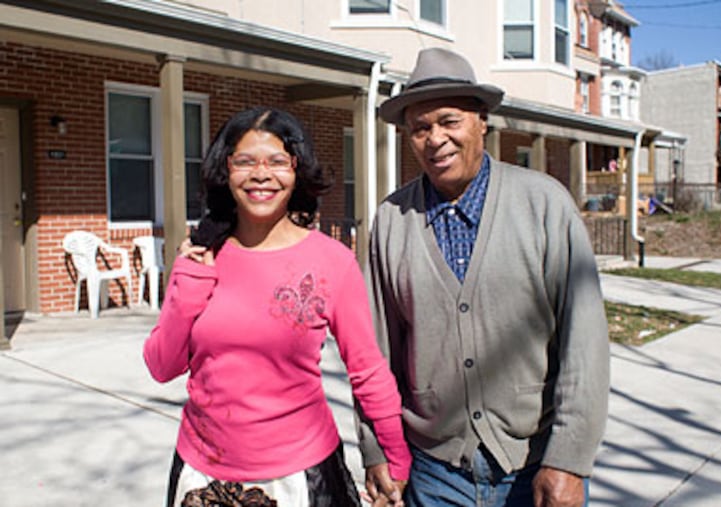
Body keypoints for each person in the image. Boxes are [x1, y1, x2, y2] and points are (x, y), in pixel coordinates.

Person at [359, 48, 610, 507]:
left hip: (534, 470)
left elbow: (585, 341)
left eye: (449, 121)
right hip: (434, 474)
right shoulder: (392, 221)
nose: (435, 139)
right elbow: (375, 353)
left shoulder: (544, 205)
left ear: (481, 122)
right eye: (420, 128)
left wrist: (570, 460)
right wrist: (377, 449)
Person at [143, 106, 411, 507]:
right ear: (225, 169)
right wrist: (190, 282)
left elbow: (368, 369)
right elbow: (162, 366)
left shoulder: (331, 260)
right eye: (245, 161)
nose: (261, 175)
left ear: (297, 169)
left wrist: (393, 456)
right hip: (201, 473)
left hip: (300, 476)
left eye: (277, 161)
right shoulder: (200, 255)